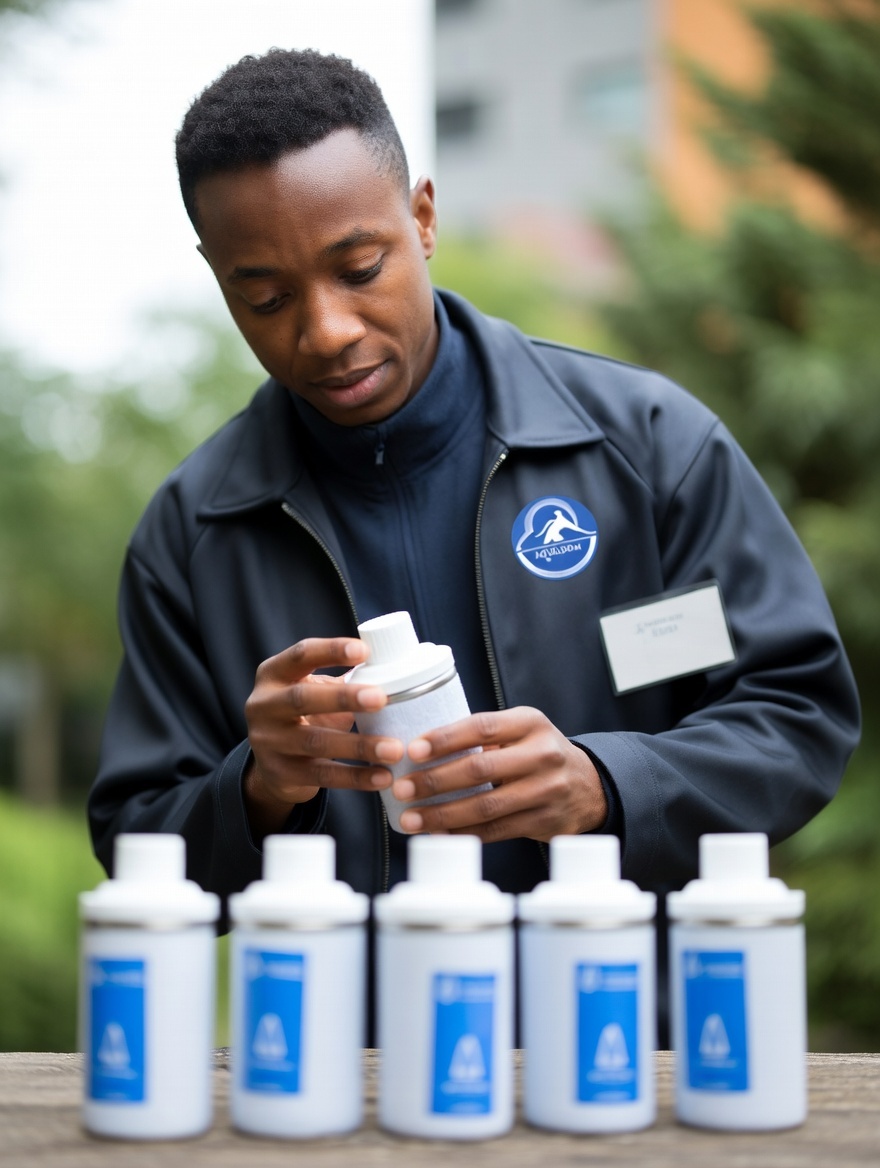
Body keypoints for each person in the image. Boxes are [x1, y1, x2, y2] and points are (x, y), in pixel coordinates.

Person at [88, 50, 859, 1031]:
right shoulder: (192, 534)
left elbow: (796, 715)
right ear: (217, 277)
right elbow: (136, 842)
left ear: (421, 217)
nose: (325, 330)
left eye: (358, 269)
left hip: (627, 1060)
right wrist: (260, 786)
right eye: (267, 297)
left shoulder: (649, 450)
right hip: (348, 1085)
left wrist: (604, 784)